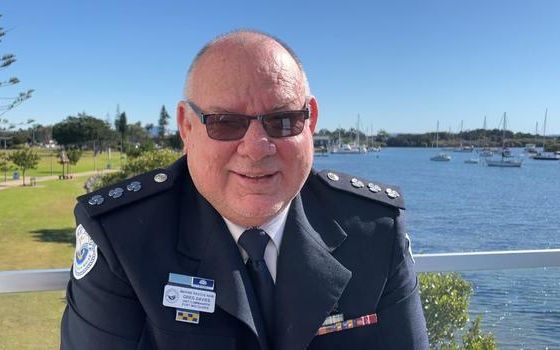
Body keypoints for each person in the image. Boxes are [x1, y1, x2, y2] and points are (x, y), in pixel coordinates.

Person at [61, 30, 428, 349]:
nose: (256, 148)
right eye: (225, 123)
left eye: (282, 120)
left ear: (310, 121)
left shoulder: (375, 229)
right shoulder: (122, 237)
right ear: (187, 127)